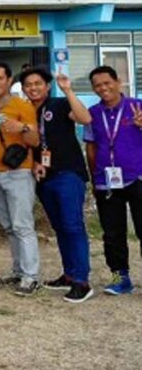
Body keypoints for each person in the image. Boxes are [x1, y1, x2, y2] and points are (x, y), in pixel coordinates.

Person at [20, 66, 94, 303]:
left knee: (72, 225)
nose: (33, 88)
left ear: (47, 86)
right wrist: (34, 163)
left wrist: (68, 90)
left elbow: (85, 118)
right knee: (60, 227)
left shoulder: (59, 104)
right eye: (28, 85)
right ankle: (69, 274)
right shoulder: (25, 110)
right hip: (44, 176)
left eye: (38, 83)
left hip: (67, 173)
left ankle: (82, 281)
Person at [0, 60, 41, 295]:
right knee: (8, 227)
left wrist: (23, 128)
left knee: (22, 225)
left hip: (18, 173)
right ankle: (18, 270)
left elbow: (35, 141)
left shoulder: (21, 105)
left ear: (9, 81)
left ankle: (31, 276)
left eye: (0, 78)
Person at [83, 65, 142, 296]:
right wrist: (94, 178)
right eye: (97, 85)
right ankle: (120, 277)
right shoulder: (92, 113)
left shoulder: (137, 107)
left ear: (118, 82)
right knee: (112, 233)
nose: (103, 88)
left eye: (107, 83)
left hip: (137, 177)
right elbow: (90, 147)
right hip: (106, 181)